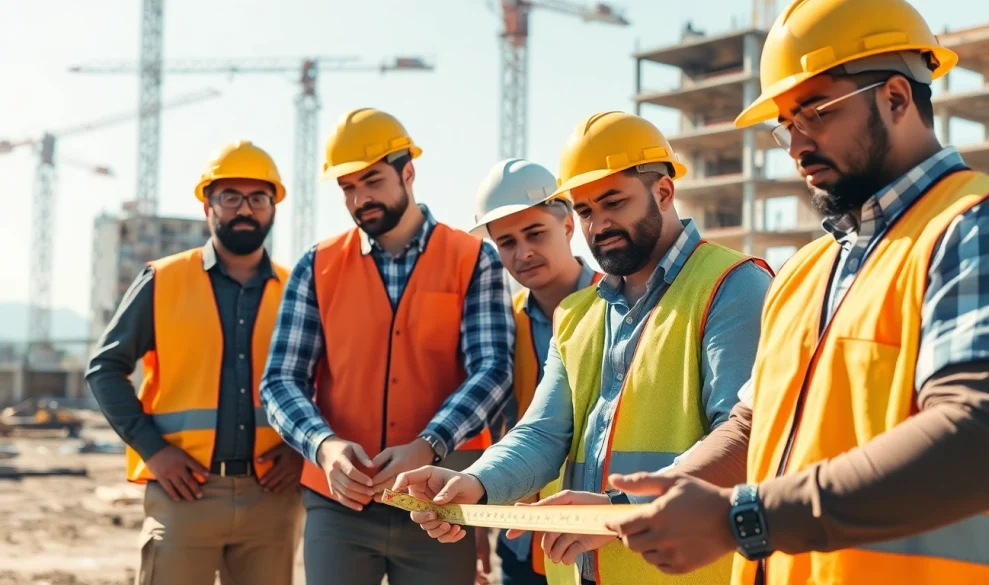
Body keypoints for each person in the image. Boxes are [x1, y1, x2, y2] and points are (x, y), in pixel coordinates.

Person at [599, 1, 989, 584]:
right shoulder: (804, 271)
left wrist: (740, 519)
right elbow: (752, 424)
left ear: (896, 98)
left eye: (815, 112)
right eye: (786, 125)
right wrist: (631, 507)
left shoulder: (980, 224)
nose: (796, 146)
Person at [395, 111, 774, 585]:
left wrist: (619, 511)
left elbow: (746, 436)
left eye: (614, 202)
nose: (599, 224)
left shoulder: (734, 286)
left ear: (663, 192)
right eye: (586, 210)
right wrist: (475, 483)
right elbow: (541, 434)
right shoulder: (577, 315)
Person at [259, 107, 514, 585]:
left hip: (439, 500)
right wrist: (324, 447)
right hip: (338, 505)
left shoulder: (472, 258)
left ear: (408, 172)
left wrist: (429, 446)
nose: (360, 198)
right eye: (348, 187)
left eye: (372, 180)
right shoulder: (317, 266)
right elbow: (280, 380)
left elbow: (494, 369)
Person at [86, 140, 304, 585]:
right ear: (208, 205)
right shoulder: (163, 280)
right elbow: (105, 369)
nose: (246, 208)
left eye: (258, 197)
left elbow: (327, 379)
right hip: (183, 490)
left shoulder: (297, 288)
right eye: (230, 197)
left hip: (272, 496)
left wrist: (301, 451)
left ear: (273, 207)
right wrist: (156, 452)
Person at [468, 158, 603, 585]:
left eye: (535, 233)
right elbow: (493, 428)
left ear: (568, 227)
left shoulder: (623, 308)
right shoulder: (503, 325)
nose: (522, 252)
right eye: (506, 242)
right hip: (521, 538)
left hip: (598, 533)